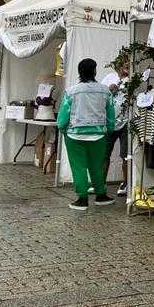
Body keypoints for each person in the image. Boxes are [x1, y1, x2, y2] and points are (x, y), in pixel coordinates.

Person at [57, 58, 116, 211]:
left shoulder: (71, 92)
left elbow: (63, 117)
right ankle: (101, 195)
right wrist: (109, 128)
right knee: (97, 166)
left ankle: (82, 199)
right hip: (99, 135)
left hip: (74, 135)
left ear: (79, 72)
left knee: (79, 167)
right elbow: (110, 113)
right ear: (95, 71)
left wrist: (62, 128)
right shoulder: (105, 90)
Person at [100, 62, 130, 196]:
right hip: (109, 121)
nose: (127, 67)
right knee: (104, 153)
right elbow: (99, 96)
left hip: (126, 122)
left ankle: (125, 183)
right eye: (124, 64)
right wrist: (108, 90)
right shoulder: (108, 77)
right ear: (118, 65)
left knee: (126, 155)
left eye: (129, 64)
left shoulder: (133, 79)